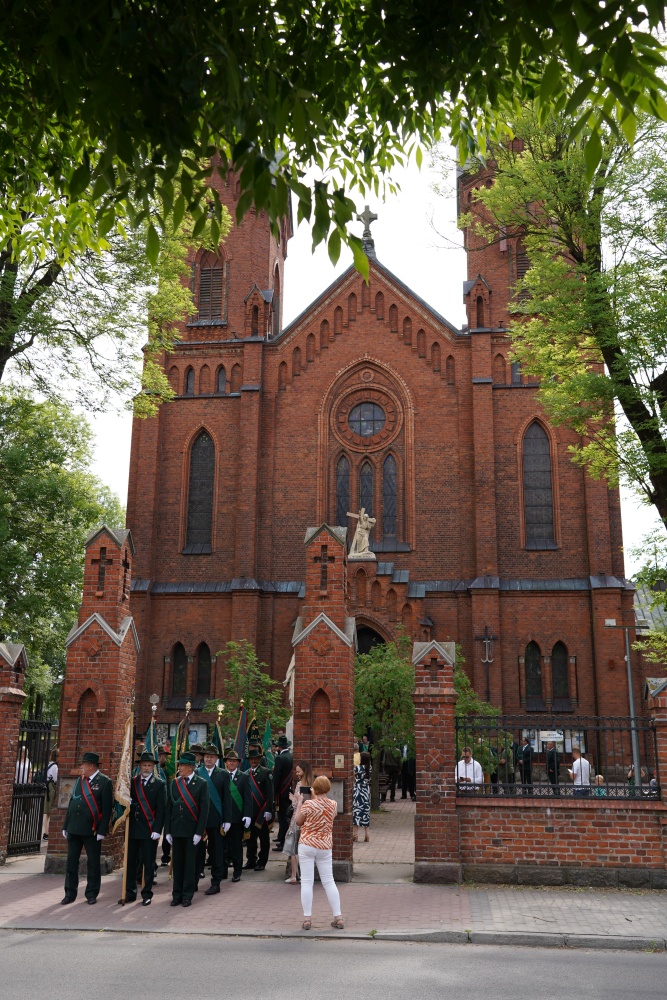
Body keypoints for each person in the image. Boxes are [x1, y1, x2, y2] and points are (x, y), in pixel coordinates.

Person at [61, 751, 113, 905]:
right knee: (71, 862)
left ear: (91, 765)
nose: (81, 767)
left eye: (83, 764)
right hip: (74, 827)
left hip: (92, 829)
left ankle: (91, 893)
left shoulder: (104, 782)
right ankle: (69, 893)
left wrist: (102, 830)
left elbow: (107, 809)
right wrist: (66, 825)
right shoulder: (80, 780)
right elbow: (72, 802)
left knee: (93, 863)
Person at [295, 774, 344, 931]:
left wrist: (300, 802)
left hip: (307, 844)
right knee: (329, 881)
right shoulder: (333, 805)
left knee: (307, 882)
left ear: (314, 788)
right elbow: (325, 810)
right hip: (324, 846)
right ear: (328, 788)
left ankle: (307, 919)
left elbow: (298, 821)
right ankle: (338, 917)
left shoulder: (308, 804)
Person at [164, 750, 209, 907]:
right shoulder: (174, 783)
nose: (179, 768)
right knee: (177, 864)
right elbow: (169, 808)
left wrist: (199, 832)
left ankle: (187, 895)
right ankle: (176, 894)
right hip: (177, 830)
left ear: (190, 767)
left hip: (192, 831)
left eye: (182, 765)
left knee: (190, 865)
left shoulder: (201, 784)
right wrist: (167, 831)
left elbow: (204, 810)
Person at [121, 750, 166, 906]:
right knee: (130, 863)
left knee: (148, 863)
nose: (146, 768)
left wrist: (157, 830)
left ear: (153, 767)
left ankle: (147, 893)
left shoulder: (159, 784)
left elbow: (161, 810)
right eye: (144, 765)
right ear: (139, 766)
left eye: (149, 765)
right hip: (133, 829)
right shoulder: (132, 783)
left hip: (149, 829)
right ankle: (130, 893)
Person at [197, 743, 232, 895]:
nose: (208, 759)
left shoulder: (223, 774)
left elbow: (227, 798)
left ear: (216, 759)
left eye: (211, 757)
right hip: (200, 820)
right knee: (198, 852)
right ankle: (194, 880)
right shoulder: (197, 772)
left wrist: (227, 819)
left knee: (216, 852)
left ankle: (216, 882)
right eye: (206, 756)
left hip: (216, 819)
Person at [222, 746, 252, 882]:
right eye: (229, 761)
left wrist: (247, 814)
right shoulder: (221, 775)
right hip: (223, 818)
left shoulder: (244, 777)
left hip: (237, 818)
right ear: (226, 762)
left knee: (236, 847)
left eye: (234, 761)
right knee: (222, 847)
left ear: (238, 763)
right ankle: (222, 871)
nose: (231, 763)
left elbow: (248, 798)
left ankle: (237, 872)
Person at [243, 743, 274, 872]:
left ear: (259, 759)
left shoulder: (266, 772)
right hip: (250, 811)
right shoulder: (245, 774)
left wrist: (269, 810)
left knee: (263, 838)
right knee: (250, 838)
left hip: (262, 811)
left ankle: (262, 861)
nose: (253, 761)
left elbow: (270, 793)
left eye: (256, 759)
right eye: (251, 759)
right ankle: (251, 860)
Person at [284, 760, 313, 884]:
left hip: (297, 818)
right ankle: (306, 875)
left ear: (304, 771)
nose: (297, 774)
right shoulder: (313, 785)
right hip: (309, 820)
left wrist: (293, 798)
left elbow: (296, 804)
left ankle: (294, 876)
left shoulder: (300, 784)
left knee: (294, 848)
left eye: (298, 771)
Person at [272, 734, 293, 852]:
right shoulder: (290, 756)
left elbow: (276, 778)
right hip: (288, 791)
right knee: (286, 816)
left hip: (281, 792)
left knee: (282, 817)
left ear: (279, 746)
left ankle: (283, 841)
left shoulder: (280, 758)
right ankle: (281, 837)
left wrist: (273, 793)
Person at [353, 750, 371, 841]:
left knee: (356, 812)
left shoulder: (358, 768)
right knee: (365, 812)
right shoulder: (370, 768)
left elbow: (353, 775)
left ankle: (355, 835)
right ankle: (367, 835)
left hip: (358, 791)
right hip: (366, 791)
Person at [42, 748, 59, 840]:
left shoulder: (48, 764)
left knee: (47, 813)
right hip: (51, 788)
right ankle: (46, 833)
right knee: (49, 812)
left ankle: (46, 832)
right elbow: (56, 779)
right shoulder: (55, 766)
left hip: (47, 787)